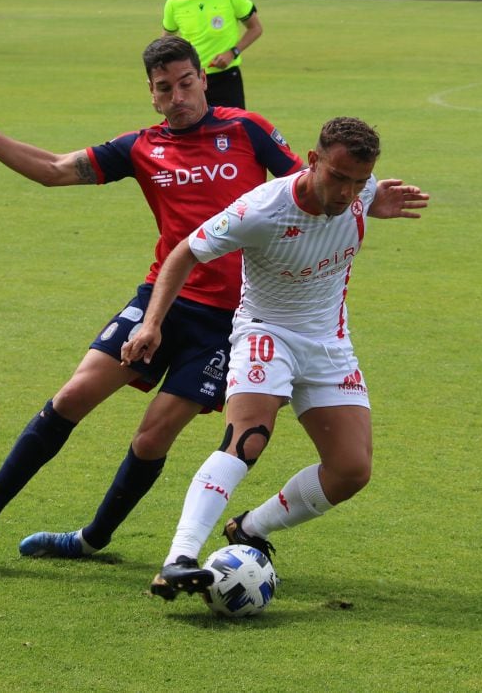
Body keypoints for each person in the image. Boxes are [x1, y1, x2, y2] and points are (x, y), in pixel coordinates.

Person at [0, 37, 426, 560]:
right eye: (165, 88)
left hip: (232, 321)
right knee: (73, 394)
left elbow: (311, 185)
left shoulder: (246, 130)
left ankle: (92, 539)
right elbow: (54, 168)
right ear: (153, 94)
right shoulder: (140, 147)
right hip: (162, 298)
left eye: (187, 82)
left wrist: (367, 199)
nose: (179, 95)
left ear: (203, 80)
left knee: (153, 435)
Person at [119, 117, 425, 600]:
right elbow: (183, 253)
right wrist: (151, 322)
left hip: (328, 344)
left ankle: (250, 528)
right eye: (338, 178)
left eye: (358, 182)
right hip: (266, 332)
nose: (347, 193)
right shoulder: (260, 209)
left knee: (351, 471)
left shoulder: (361, 196)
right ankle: (178, 559)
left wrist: (375, 199)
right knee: (249, 439)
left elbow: (363, 196)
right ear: (312, 160)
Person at [163, 0, 262, 109]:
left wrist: (233, 52)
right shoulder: (175, 0)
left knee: (233, 132)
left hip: (227, 78)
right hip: (191, 80)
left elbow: (256, 28)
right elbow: (167, 41)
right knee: (193, 133)